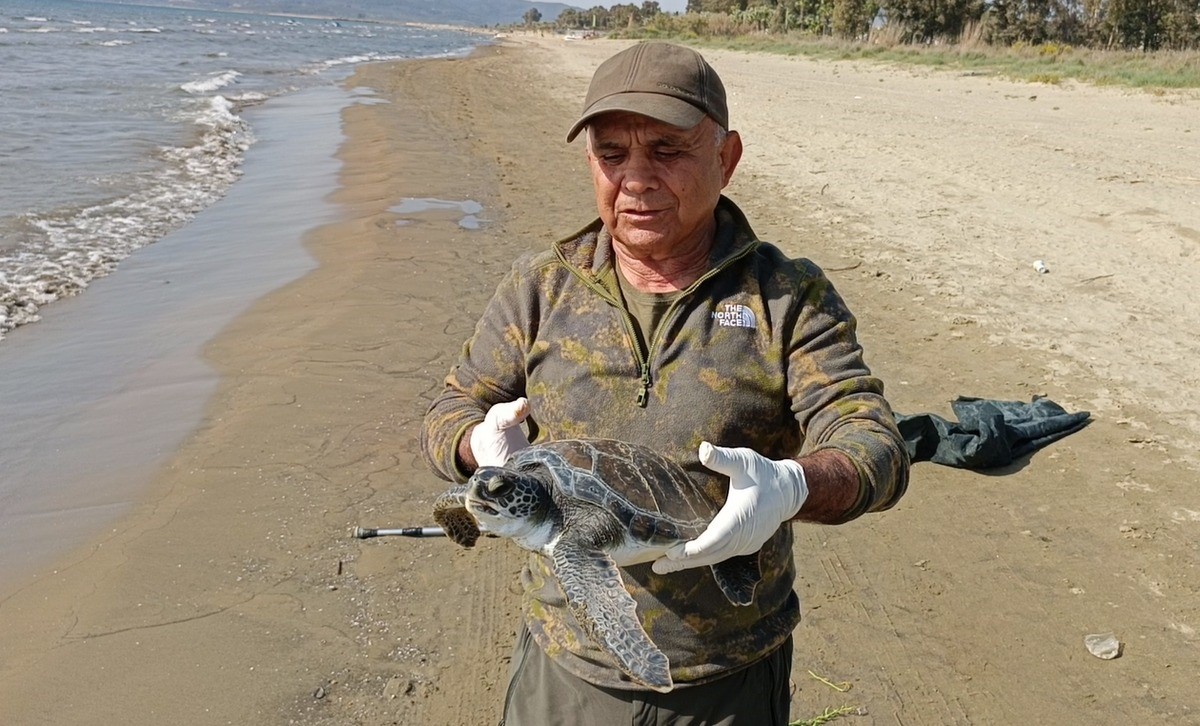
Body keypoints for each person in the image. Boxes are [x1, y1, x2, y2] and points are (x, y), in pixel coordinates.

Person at [421, 41, 909, 726]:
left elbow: (871, 442)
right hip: (566, 669)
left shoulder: (786, 298)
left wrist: (792, 486)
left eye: (669, 150)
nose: (637, 180)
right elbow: (451, 406)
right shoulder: (541, 288)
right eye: (612, 154)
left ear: (726, 158)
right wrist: (476, 445)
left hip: (729, 676)